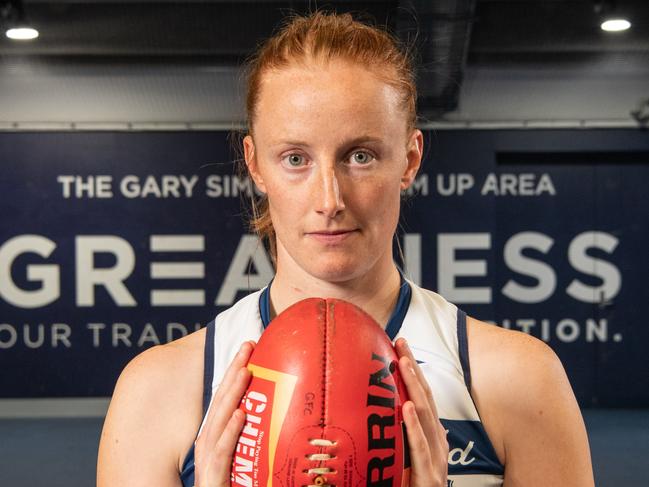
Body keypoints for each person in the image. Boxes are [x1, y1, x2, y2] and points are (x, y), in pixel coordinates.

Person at [97, 11, 594, 487]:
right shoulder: (159, 392)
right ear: (255, 165)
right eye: (295, 158)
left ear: (409, 158)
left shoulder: (518, 382)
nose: (329, 200)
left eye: (361, 156)